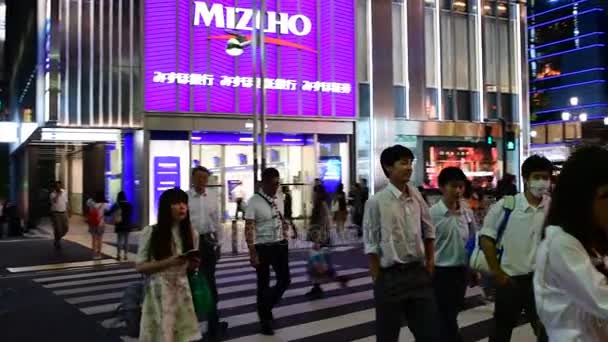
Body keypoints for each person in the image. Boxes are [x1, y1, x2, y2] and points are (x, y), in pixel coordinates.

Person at [363, 145, 440, 342]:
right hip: (390, 277)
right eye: (403, 163)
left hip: (417, 274)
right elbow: (371, 243)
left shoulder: (416, 196)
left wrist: (430, 262)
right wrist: (377, 277)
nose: (409, 167)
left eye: (410, 163)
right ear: (389, 167)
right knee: (387, 335)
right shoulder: (376, 201)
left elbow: (429, 230)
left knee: (429, 333)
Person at [534, 146, 608, 341]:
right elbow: (603, 300)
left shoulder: (591, 241)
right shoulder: (561, 243)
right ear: (581, 199)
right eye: (605, 196)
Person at [479, 155, 553, 342]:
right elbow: (486, 239)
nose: (542, 182)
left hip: (540, 282)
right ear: (526, 179)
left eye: (546, 177)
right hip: (510, 281)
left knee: (546, 331)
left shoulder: (553, 208)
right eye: (537, 177)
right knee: (502, 330)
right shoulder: (506, 206)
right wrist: (498, 274)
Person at [135, 188, 201, 342]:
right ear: (166, 207)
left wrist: (193, 264)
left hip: (182, 291)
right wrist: (170, 262)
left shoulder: (192, 233)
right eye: (177, 203)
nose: (182, 206)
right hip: (159, 291)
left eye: (184, 202)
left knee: (183, 337)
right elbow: (140, 266)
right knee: (162, 335)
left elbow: (190, 268)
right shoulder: (151, 232)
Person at [430, 167, 478, 342]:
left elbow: (473, 241)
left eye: (461, 186)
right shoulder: (432, 214)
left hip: (461, 271)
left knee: (451, 314)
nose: (458, 191)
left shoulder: (467, 212)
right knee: (446, 316)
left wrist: (473, 269)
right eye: (453, 186)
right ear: (442, 187)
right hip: (440, 272)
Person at [244, 168, 291, 336]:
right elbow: (249, 227)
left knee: (285, 280)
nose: (276, 186)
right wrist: (252, 252)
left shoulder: (279, 199)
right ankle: (265, 321)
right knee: (263, 284)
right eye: (272, 184)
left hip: (280, 244)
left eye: (277, 183)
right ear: (263, 182)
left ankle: (266, 307)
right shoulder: (253, 201)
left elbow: (281, 218)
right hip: (262, 246)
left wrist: (285, 231)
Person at [187, 166, 228, 341]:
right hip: (190, 244)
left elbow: (217, 222)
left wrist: (219, 244)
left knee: (210, 283)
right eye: (199, 178)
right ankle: (189, 325)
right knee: (189, 283)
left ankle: (213, 324)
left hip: (207, 242)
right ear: (192, 179)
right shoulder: (186, 198)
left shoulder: (211, 197)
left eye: (205, 178)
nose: (202, 181)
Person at [107, 191, 133, 261]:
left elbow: (109, 213)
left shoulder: (117, 204)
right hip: (127, 224)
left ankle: (118, 255)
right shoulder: (129, 205)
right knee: (126, 240)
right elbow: (131, 214)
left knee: (119, 240)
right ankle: (126, 255)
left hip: (119, 224)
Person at [86, 192, 108, 260]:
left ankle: (94, 254)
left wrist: (92, 198)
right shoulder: (104, 204)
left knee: (94, 239)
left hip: (93, 224)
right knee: (100, 239)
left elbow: (87, 202)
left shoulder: (91, 203)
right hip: (101, 223)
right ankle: (99, 254)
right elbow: (106, 212)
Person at [50, 181, 70, 250]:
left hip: (63, 212)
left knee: (66, 227)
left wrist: (69, 209)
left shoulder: (64, 192)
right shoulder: (52, 194)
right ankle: (57, 240)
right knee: (58, 229)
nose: (58, 187)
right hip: (56, 213)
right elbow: (54, 201)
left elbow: (66, 201)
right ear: (55, 187)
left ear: (61, 186)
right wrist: (58, 194)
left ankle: (57, 238)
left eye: (59, 186)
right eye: (57, 186)